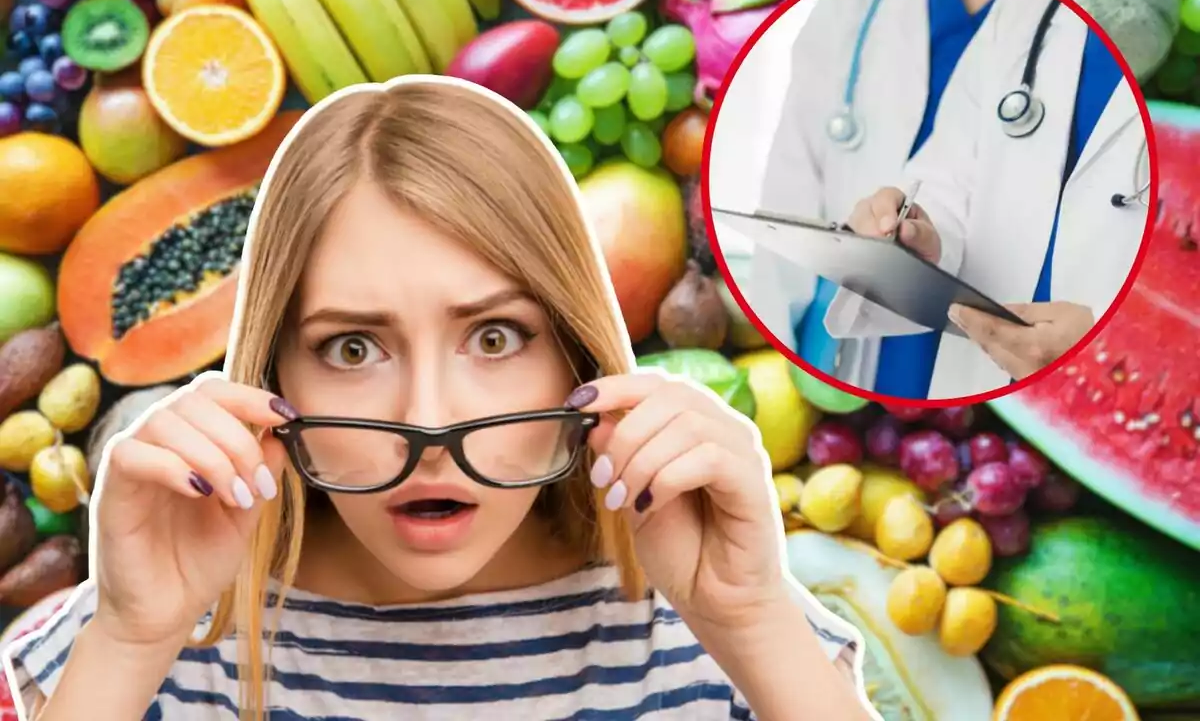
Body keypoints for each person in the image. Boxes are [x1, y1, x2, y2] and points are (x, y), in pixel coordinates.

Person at [3, 77, 871, 721]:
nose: (427, 424)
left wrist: (753, 622)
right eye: (351, 348)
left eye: (494, 339)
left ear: (575, 353)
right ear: (273, 379)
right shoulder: (161, 621)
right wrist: (126, 640)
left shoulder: (717, 615)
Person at [830, 0, 1150, 399]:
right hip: (976, 391)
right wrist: (922, 239)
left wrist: (1116, 347)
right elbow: (948, 182)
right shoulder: (1024, 8)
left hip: (1131, 399)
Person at [741, 0, 1010, 400]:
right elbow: (792, 174)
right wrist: (776, 341)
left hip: (979, 326)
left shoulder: (1054, 21)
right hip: (835, 332)